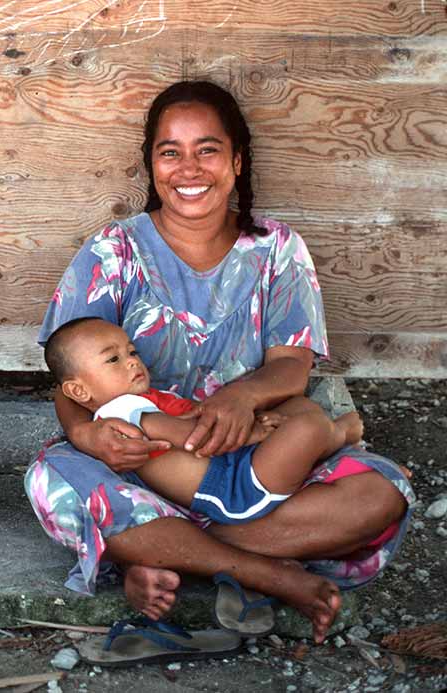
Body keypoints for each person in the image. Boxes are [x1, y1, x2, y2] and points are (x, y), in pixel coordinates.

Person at [25, 80, 413, 644]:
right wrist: (88, 438)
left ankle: (157, 551)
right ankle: (268, 571)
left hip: (256, 461)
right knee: (53, 480)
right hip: (145, 468)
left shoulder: (277, 249)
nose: (189, 169)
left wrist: (241, 398)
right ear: (151, 164)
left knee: (382, 491)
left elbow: (291, 366)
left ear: (236, 160)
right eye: (170, 152)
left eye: (207, 149)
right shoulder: (113, 250)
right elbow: (69, 381)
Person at [44, 318, 364, 524]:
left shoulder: (143, 400)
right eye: (113, 359)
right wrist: (252, 432)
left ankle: (313, 450)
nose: (131, 362)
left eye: (132, 352)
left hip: (234, 467)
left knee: (297, 407)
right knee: (307, 427)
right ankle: (339, 434)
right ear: (78, 391)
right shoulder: (122, 411)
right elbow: (193, 438)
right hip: (232, 488)